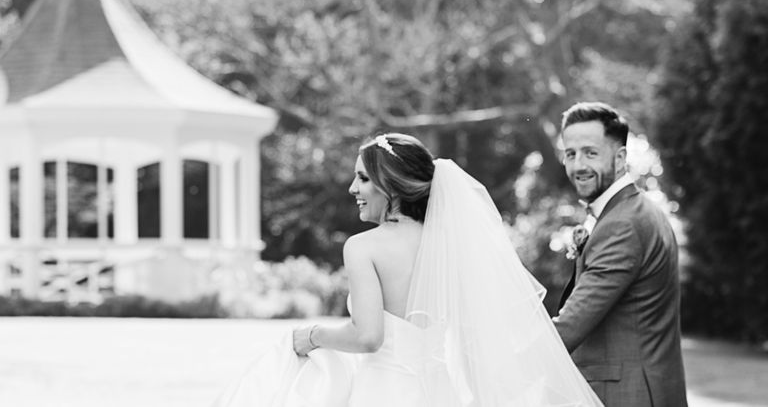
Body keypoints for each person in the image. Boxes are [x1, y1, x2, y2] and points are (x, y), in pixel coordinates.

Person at [212, 132, 603, 407]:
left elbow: (367, 337)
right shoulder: (450, 247)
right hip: (441, 391)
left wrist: (309, 337)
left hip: (383, 392)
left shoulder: (363, 247)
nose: (352, 188)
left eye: (363, 178)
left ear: (392, 184)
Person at [553, 102, 688, 407]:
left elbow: (568, 328)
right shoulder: (629, 213)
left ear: (620, 158)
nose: (578, 165)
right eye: (570, 154)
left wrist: (495, 347)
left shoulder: (622, 225)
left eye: (591, 152)